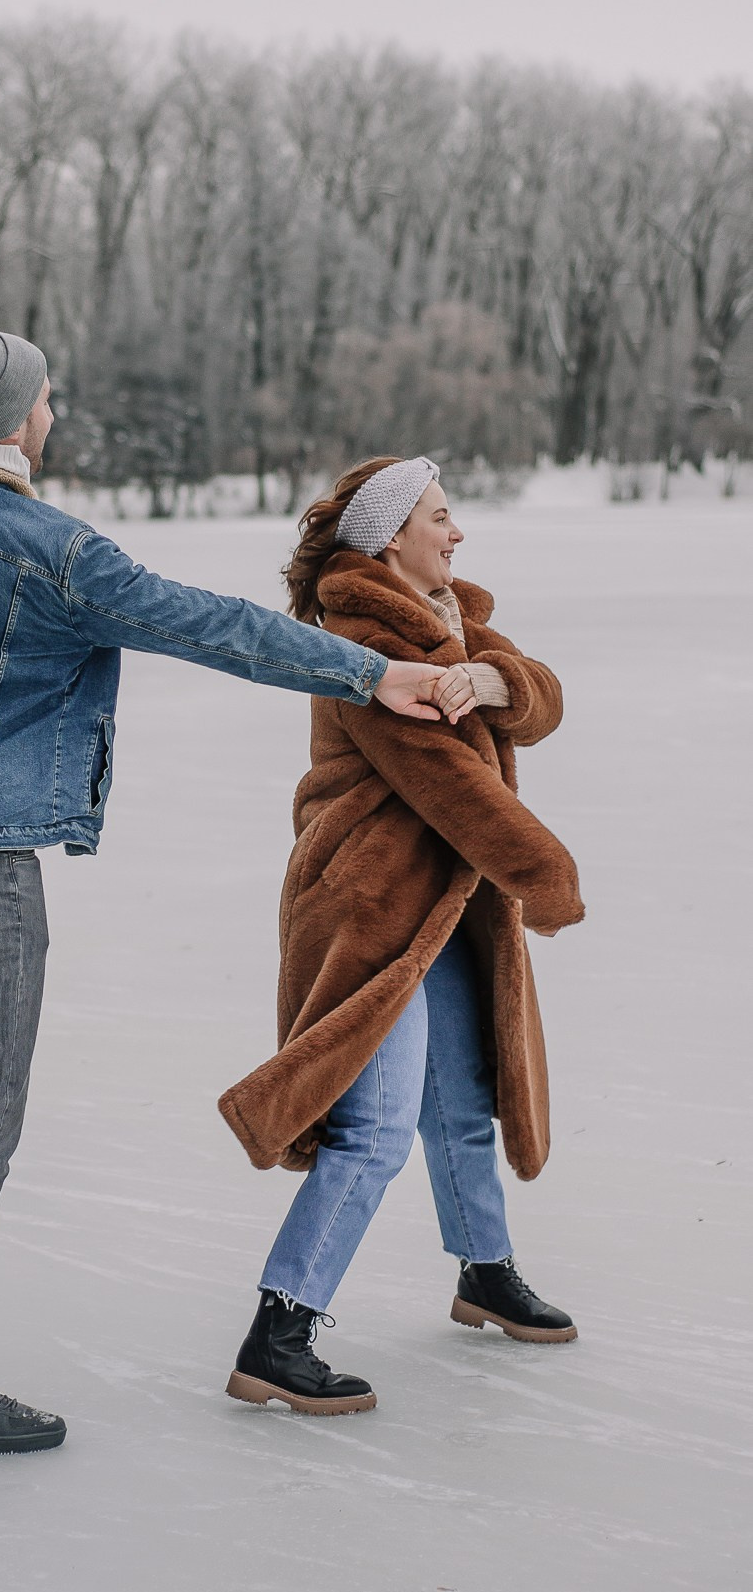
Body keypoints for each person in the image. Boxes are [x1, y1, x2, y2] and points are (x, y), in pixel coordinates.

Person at [0, 334, 459, 1457]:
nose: (51, 416)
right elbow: (213, 626)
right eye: (47, 401)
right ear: (18, 420)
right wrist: (368, 670)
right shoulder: (50, 549)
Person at [218, 455, 585, 1416]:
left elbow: (545, 697)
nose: (456, 531)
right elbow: (450, 784)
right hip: (373, 906)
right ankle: (278, 1333)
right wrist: (545, 877)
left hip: (445, 905)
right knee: (374, 1129)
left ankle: (485, 1272)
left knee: (459, 1100)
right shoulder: (367, 639)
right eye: (438, 516)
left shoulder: (450, 618)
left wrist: (492, 679)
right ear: (389, 540)